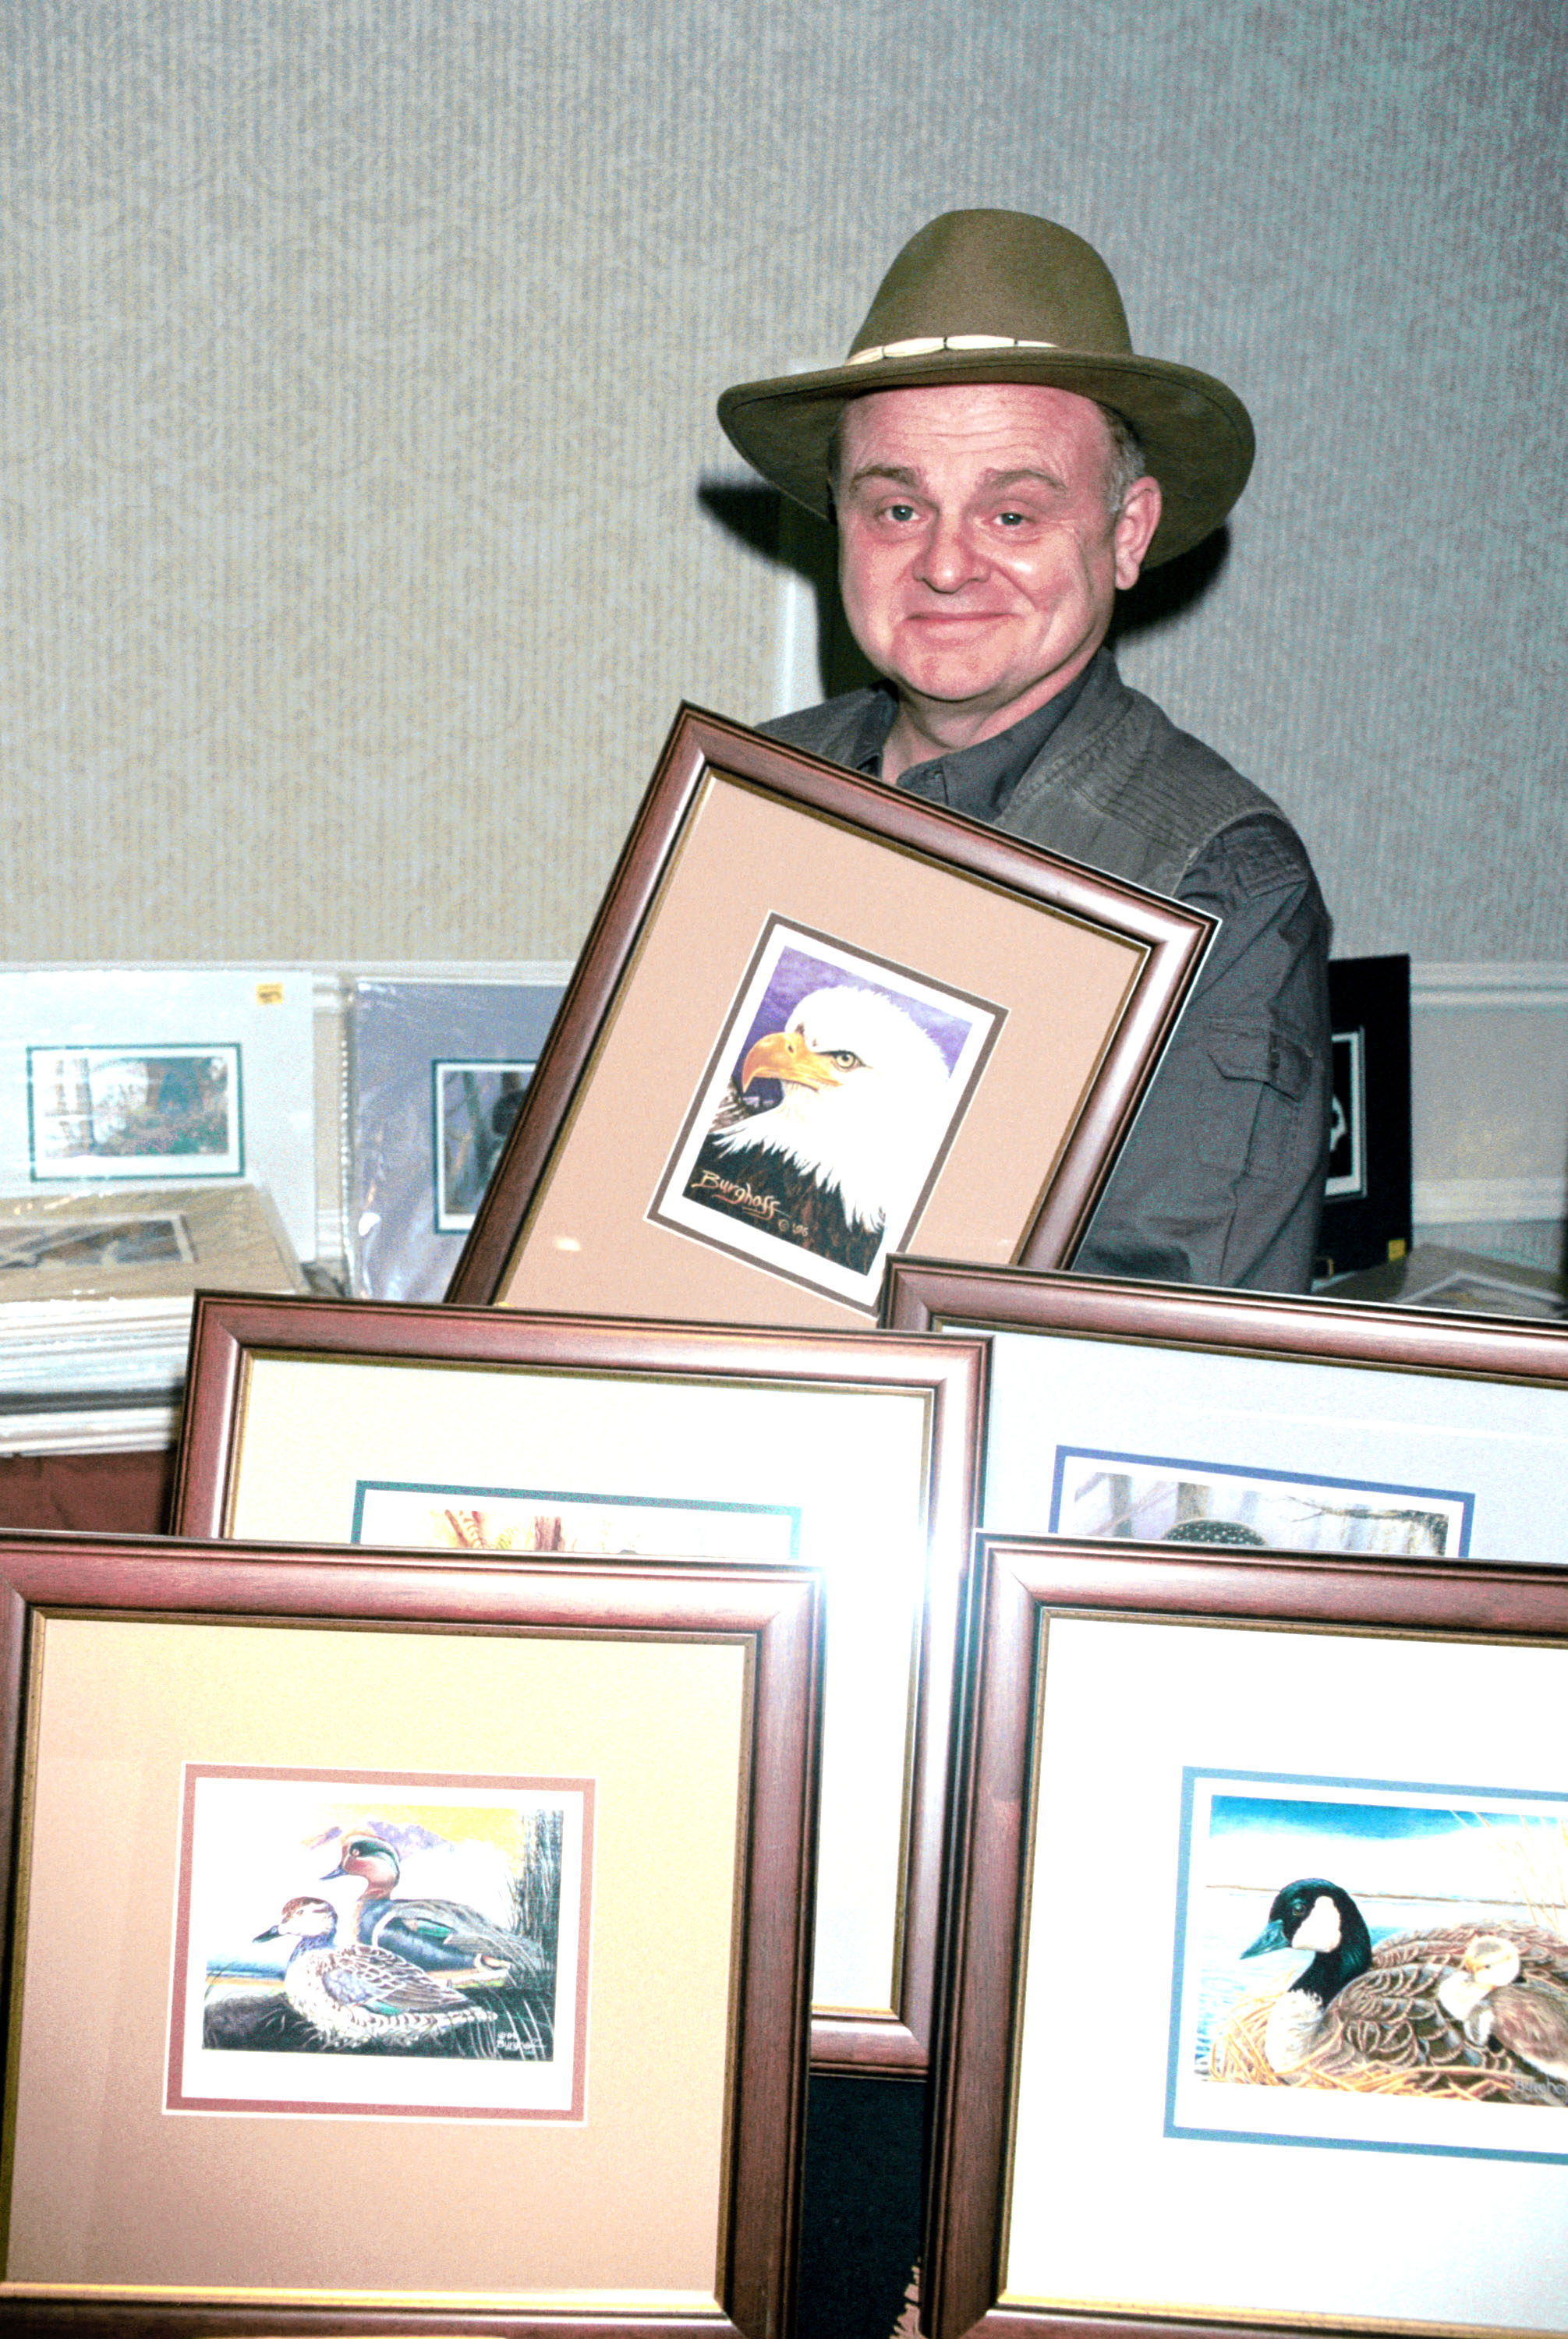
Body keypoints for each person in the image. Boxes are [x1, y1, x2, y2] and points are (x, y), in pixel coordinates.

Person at [717, 209, 1330, 1292]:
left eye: (1013, 515)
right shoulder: (756, 797)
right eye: (899, 507)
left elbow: (1175, 1347)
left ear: (1126, 532)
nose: (947, 565)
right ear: (841, 526)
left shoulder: (1218, 881)